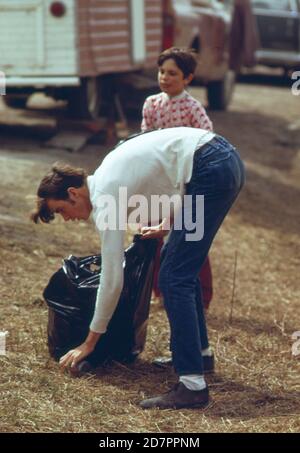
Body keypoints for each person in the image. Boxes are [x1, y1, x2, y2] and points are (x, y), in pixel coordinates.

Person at [31, 126, 245, 409]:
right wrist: (168, 225)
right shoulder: (107, 176)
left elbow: (111, 279)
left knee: (173, 278)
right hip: (220, 161)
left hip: (211, 168)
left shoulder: (105, 200)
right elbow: (172, 180)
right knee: (176, 262)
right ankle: (201, 355)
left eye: (60, 210)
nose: (66, 218)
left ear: (73, 193)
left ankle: (192, 385)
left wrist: (90, 342)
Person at [141, 47, 214, 313]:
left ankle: (202, 297)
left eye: (173, 73)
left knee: (190, 234)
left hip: (185, 180)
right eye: (161, 72)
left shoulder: (193, 108)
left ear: (188, 78)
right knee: (151, 233)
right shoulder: (151, 104)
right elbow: (144, 140)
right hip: (158, 178)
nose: (165, 78)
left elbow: (207, 139)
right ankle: (155, 290)